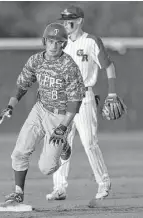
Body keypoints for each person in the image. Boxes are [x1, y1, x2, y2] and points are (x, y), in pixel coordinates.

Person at [0, 23, 85, 211]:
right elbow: (23, 84)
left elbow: (75, 101)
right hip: (40, 109)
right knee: (19, 151)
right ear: (44, 41)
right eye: (50, 41)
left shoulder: (69, 66)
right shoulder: (36, 60)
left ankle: (64, 145)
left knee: (47, 168)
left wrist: (64, 126)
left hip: (60, 116)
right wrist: (10, 106)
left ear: (64, 45)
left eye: (58, 42)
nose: (53, 46)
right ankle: (18, 192)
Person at [46, 5, 118, 201]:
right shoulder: (60, 43)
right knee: (60, 142)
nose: (65, 23)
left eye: (69, 20)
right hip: (63, 98)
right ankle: (59, 187)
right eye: (63, 20)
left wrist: (112, 94)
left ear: (79, 21)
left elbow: (108, 67)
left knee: (89, 143)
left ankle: (103, 183)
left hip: (84, 97)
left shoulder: (91, 41)